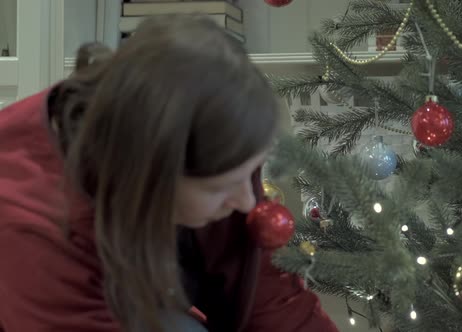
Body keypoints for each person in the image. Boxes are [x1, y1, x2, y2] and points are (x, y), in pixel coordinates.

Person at [0, 14, 338, 332]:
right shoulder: (38, 227)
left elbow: (270, 297)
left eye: (250, 175)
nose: (248, 201)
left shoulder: (213, 144)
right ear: (151, 175)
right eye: (224, 187)